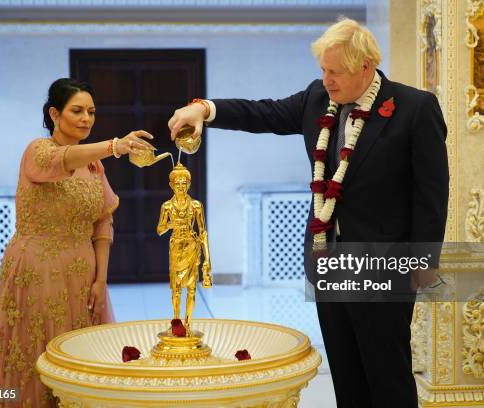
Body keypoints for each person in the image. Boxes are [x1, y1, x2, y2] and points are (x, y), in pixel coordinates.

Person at [168, 18, 449, 408]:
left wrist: (424, 259)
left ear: (365, 66)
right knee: (346, 372)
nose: (326, 79)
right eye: (323, 70)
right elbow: (262, 113)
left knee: (387, 373)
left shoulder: (414, 108)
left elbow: (432, 193)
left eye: (335, 71)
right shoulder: (319, 98)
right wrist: (205, 109)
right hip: (326, 259)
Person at [0, 78, 154, 407]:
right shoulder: (38, 151)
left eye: (91, 112)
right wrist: (116, 145)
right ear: (54, 114)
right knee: (41, 352)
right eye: (76, 111)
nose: (86, 119)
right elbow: (61, 161)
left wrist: (101, 279)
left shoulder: (94, 166)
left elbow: (103, 221)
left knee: (81, 356)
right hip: (38, 269)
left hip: (84, 274)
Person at [156, 163, 212, 330]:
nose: (180, 187)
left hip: (192, 246)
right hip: (176, 248)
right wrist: (171, 224)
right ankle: (176, 322)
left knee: (192, 288)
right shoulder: (167, 206)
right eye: (177, 183)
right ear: (171, 185)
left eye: (184, 183)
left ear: (188, 184)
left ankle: (187, 322)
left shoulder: (196, 205)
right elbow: (159, 229)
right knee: (176, 288)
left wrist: (208, 260)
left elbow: (203, 232)